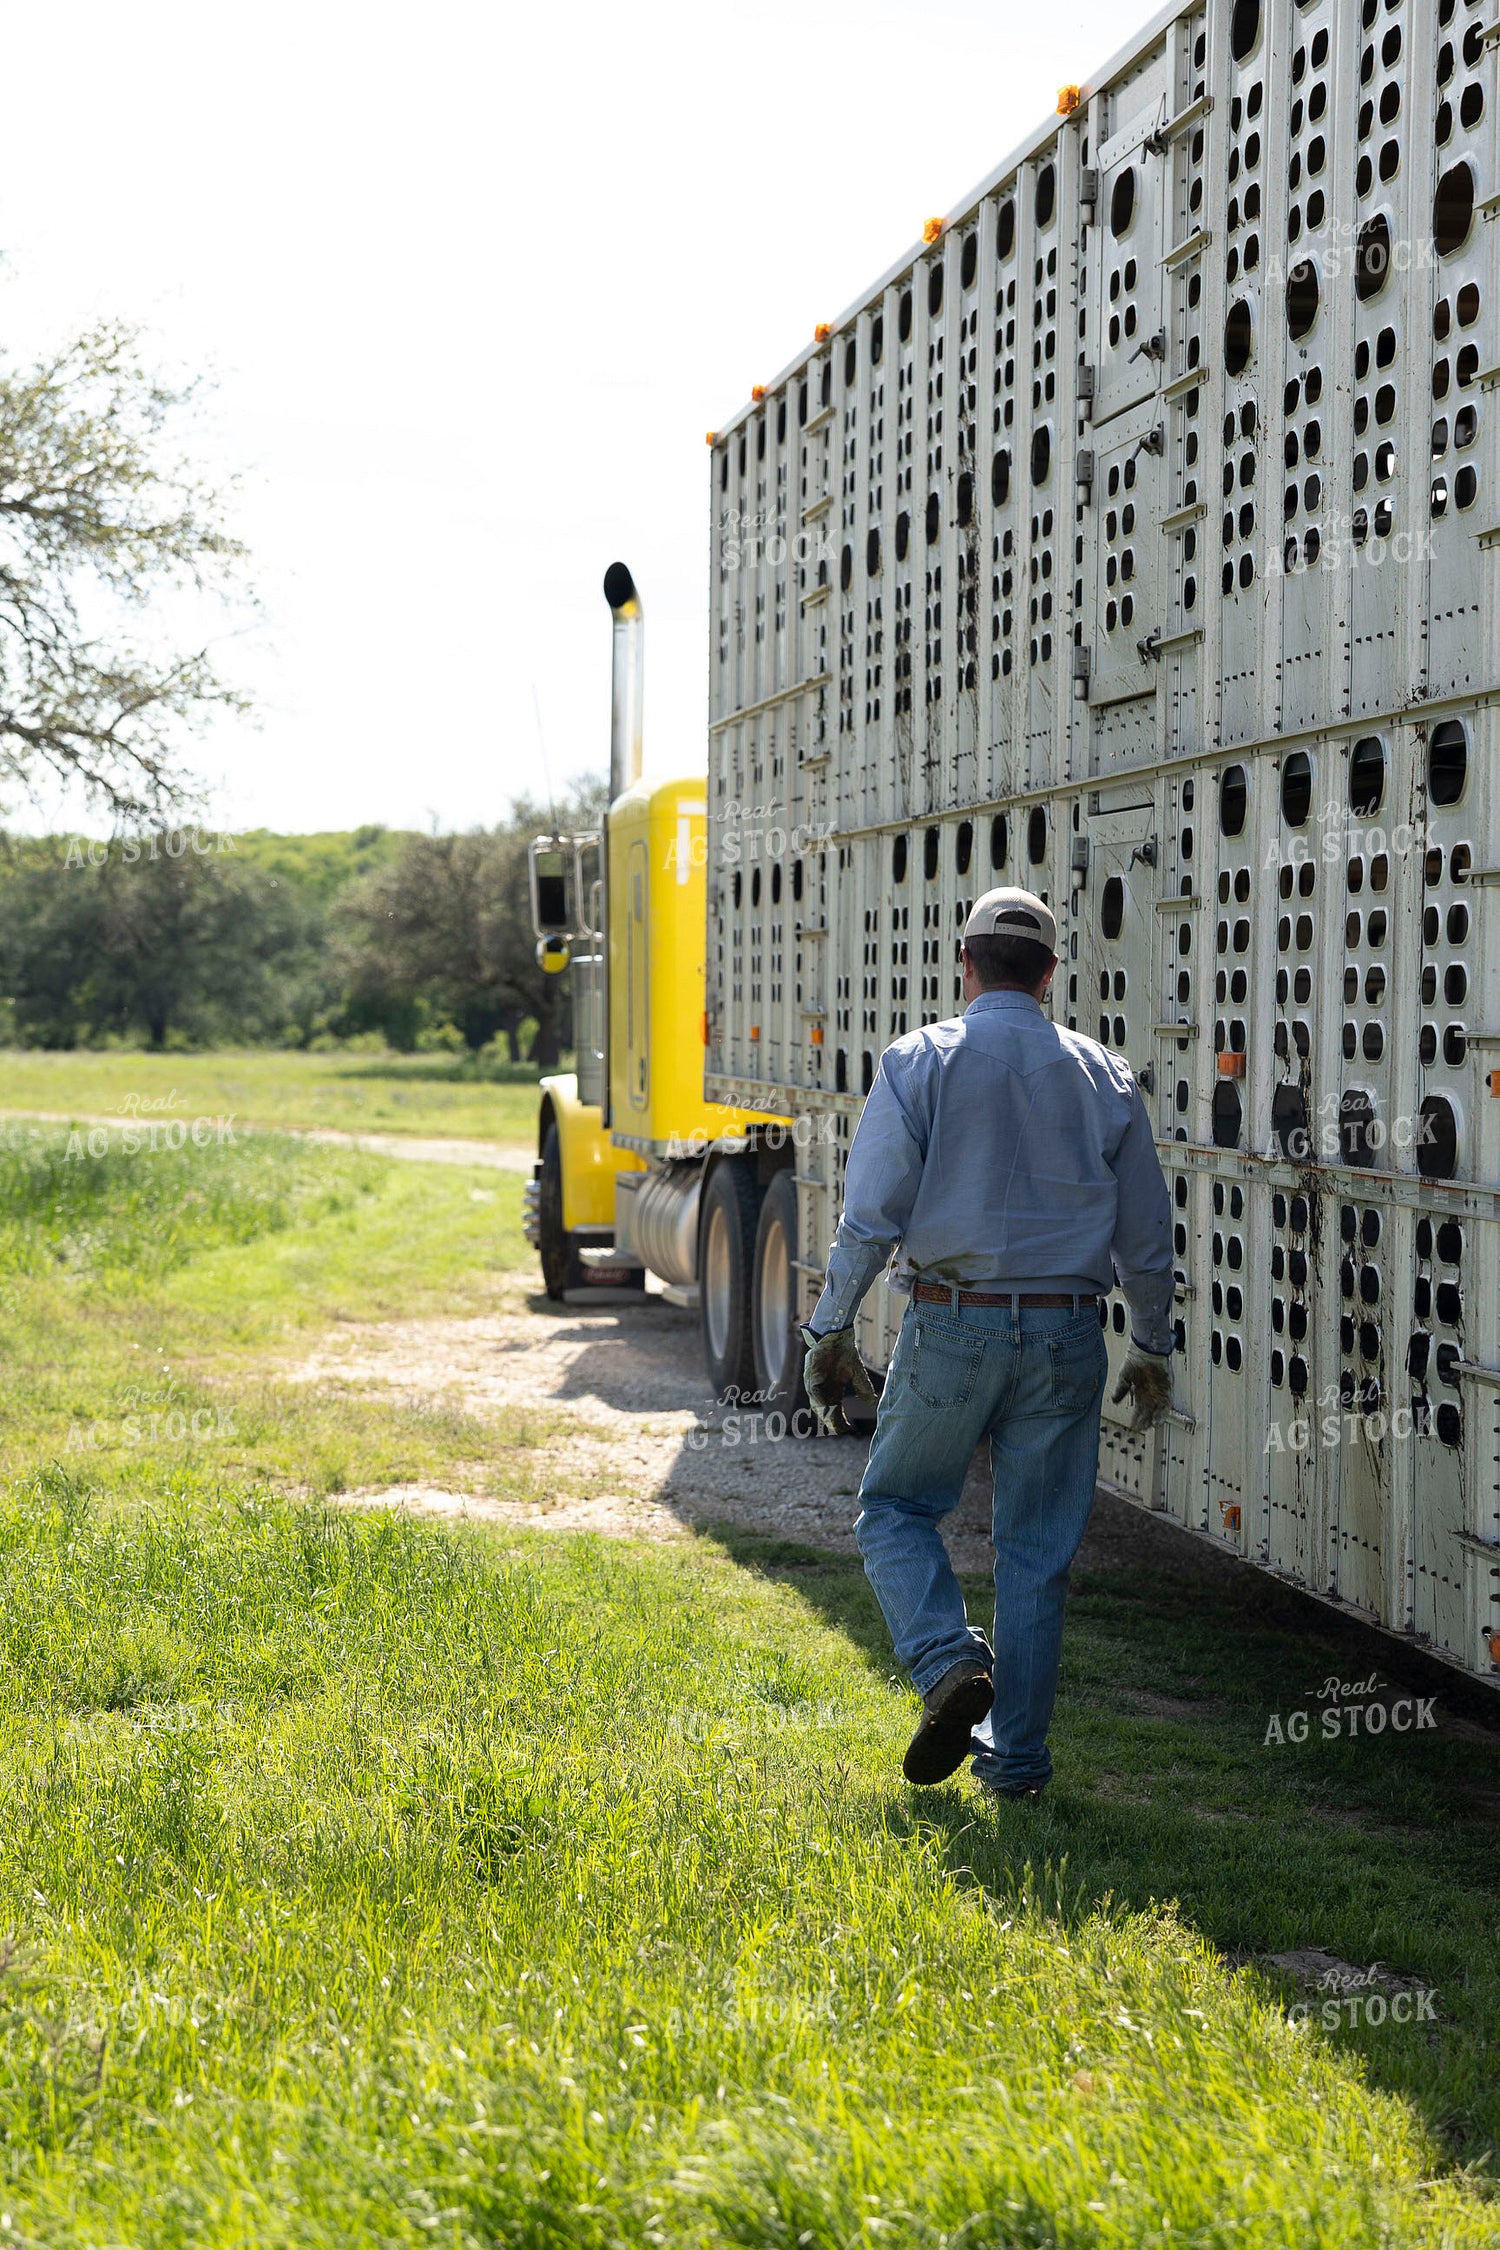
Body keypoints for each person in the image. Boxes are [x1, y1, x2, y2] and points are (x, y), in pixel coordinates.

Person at [799, 885, 1175, 1798]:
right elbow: (1147, 1236)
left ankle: (945, 1662)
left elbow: (870, 1215)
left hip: (952, 1321)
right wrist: (1153, 1345)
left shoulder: (919, 1061)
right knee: (1037, 1554)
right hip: (1068, 1334)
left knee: (895, 1509)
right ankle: (1017, 1767)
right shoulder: (1108, 1075)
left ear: (963, 963)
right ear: (1050, 973)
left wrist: (831, 1327)